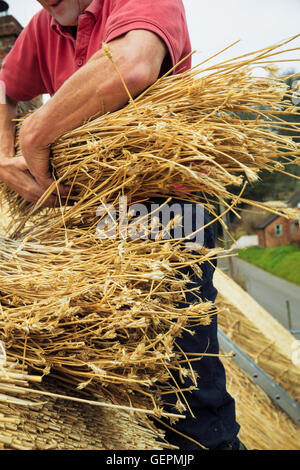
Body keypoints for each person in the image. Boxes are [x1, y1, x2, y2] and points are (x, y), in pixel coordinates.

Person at [0, 0, 245, 450]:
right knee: (105, 367)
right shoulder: (43, 27)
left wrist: (35, 131)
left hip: (169, 204)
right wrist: (1, 154)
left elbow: (132, 63)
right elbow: (4, 85)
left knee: (184, 385)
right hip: (95, 212)